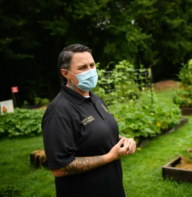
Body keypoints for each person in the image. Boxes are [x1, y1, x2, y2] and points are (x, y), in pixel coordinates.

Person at [42, 43, 136, 197]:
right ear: (66, 73)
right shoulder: (59, 111)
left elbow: (95, 132)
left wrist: (123, 140)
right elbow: (59, 168)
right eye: (82, 68)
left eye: (92, 65)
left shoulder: (94, 98)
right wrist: (108, 157)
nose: (90, 71)